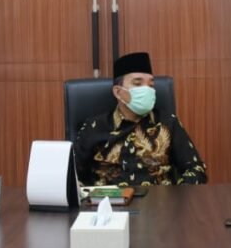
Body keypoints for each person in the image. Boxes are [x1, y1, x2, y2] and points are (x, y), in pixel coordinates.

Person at [73, 51, 207, 186]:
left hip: (160, 198)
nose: (147, 90)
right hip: (109, 198)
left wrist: (176, 194)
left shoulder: (168, 123)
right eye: (138, 84)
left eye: (151, 85)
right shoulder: (95, 126)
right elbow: (72, 174)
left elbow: (196, 170)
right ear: (118, 92)